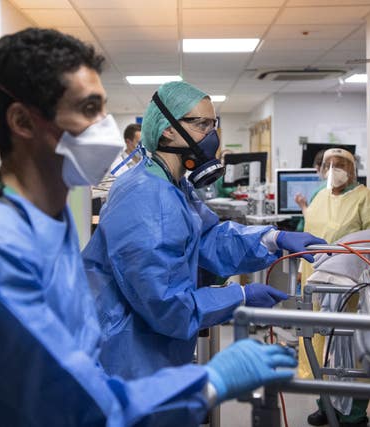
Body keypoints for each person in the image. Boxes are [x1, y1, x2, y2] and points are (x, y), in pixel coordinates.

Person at [0, 28, 298, 426]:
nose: (105, 127)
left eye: (102, 107)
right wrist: (208, 381)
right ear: (22, 122)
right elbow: (67, 407)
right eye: (88, 109)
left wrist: (271, 238)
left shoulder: (48, 216)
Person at [82, 80, 326, 380]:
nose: (212, 137)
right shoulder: (146, 198)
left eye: (214, 125)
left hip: (154, 352)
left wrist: (272, 239)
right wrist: (239, 296)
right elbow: (167, 306)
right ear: (168, 129)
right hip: (128, 359)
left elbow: (209, 238)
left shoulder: (172, 184)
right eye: (202, 125)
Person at [300, 148, 370, 427]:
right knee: (319, 345)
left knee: (350, 351)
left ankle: (354, 414)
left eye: (340, 165)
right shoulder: (319, 196)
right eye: (328, 164)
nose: (333, 169)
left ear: (353, 170)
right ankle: (325, 403)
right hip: (316, 284)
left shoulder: (368, 200)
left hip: (350, 289)